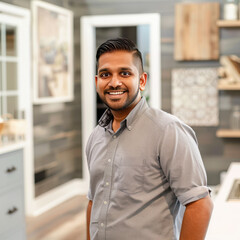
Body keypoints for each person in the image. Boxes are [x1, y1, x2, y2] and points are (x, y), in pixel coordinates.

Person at [86, 37, 213, 240]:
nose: (114, 82)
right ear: (97, 82)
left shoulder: (168, 131)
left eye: (125, 73)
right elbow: (94, 201)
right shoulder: (96, 137)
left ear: (142, 80)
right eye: (105, 74)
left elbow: (199, 204)